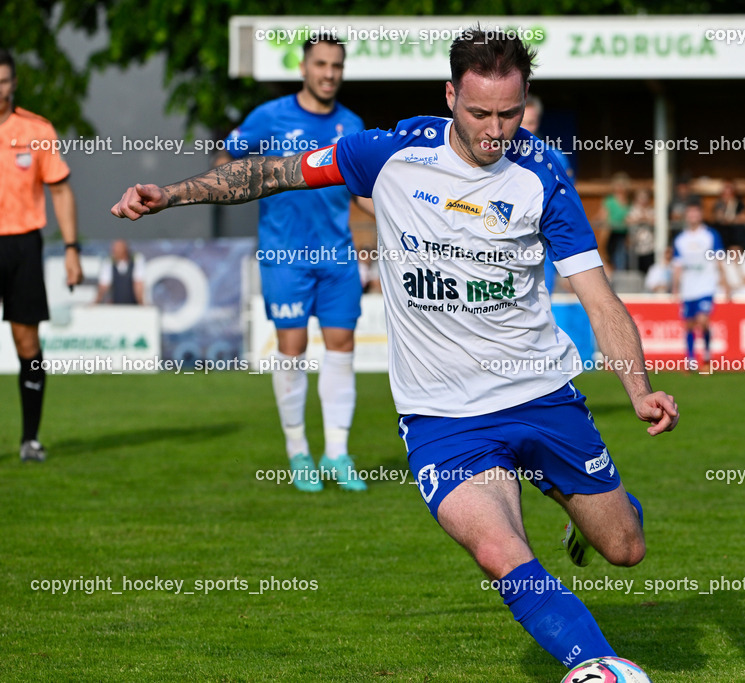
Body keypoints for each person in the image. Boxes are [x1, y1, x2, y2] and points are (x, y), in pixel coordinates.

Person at [112, 29, 678, 670]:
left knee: (625, 547)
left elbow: (599, 298)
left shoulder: (542, 175)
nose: (496, 132)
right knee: (500, 551)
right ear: (449, 98)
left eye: (510, 114)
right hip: (442, 418)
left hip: (540, 395)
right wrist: (173, 194)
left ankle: (586, 511)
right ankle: (600, 666)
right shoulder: (386, 153)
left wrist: (639, 389)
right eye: (479, 114)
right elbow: (273, 172)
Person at [215, 35, 374, 492]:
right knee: (293, 346)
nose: (329, 73)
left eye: (336, 66)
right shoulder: (269, 117)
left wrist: (395, 221)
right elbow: (227, 158)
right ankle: (298, 452)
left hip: (338, 256)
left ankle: (338, 453)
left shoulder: (352, 125)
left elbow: (361, 193)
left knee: (342, 345)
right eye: (321, 64)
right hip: (285, 255)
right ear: (304, 67)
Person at [0, 48, 83, 462]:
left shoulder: (37, 129)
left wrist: (71, 249)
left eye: (2, 81)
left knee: (27, 342)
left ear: (13, 83)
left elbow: (61, 190)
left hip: (23, 245)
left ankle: (30, 439)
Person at [521, 94, 572, 294]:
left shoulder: (555, 158)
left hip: (541, 241)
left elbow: (564, 205)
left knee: (541, 301)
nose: (525, 128)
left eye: (531, 122)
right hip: (503, 241)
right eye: (521, 122)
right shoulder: (494, 156)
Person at [672, 204, 730, 370]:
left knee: (703, 320)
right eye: (690, 213)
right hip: (688, 287)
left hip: (706, 284)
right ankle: (690, 360)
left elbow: (719, 260)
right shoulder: (680, 239)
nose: (693, 216)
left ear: (700, 215)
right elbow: (677, 265)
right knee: (689, 324)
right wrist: (675, 287)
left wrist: (725, 284)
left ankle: (706, 356)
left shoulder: (710, 235)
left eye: (696, 213)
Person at [598, 172, 632, 271]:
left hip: (624, 234)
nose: (620, 188)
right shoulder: (609, 201)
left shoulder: (629, 202)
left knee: (622, 257)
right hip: (611, 233)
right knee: (611, 255)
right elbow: (602, 216)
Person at [95, 239, 145, 304]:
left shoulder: (136, 260)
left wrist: (141, 303)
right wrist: (96, 302)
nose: (114, 250)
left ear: (125, 249)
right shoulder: (109, 262)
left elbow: (138, 284)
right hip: (115, 305)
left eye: (118, 248)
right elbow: (104, 285)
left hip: (133, 305)